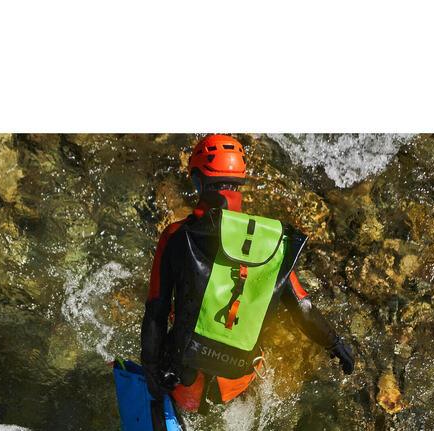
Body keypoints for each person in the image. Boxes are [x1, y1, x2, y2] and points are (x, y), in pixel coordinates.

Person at [141, 134, 354, 412]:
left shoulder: (176, 235)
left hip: (186, 383)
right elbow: (303, 307)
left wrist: (151, 372)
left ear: (197, 180)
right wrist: (336, 344)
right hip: (237, 380)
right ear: (241, 181)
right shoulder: (270, 240)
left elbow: (156, 311)